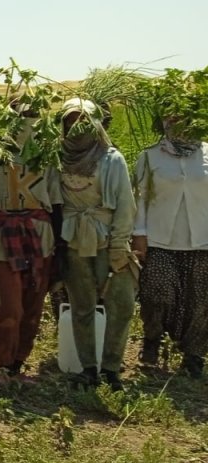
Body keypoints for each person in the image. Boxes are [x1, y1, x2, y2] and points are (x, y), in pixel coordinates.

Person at [0, 101, 63, 385]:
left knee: (34, 306)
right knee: (10, 308)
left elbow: (56, 203)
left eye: (32, 114)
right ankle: (3, 365)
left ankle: (17, 365)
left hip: (39, 233)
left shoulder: (48, 153)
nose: (27, 121)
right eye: (22, 115)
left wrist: (59, 248)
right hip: (4, 233)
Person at [56, 98, 138, 390]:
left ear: (94, 123)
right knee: (81, 305)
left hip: (107, 240)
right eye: (70, 120)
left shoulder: (111, 158)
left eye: (82, 120)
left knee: (121, 304)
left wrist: (119, 246)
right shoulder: (57, 157)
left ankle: (112, 369)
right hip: (73, 240)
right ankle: (88, 368)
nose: (76, 126)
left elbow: (125, 206)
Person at [134, 114, 208, 379]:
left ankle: (193, 355)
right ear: (163, 122)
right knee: (156, 292)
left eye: (186, 117)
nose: (179, 123)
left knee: (200, 302)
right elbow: (140, 198)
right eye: (172, 118)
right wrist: (139, 234)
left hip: (201, 241)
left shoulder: (206, 153)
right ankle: (152, 339)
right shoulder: (150, 156)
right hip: (159, 239)